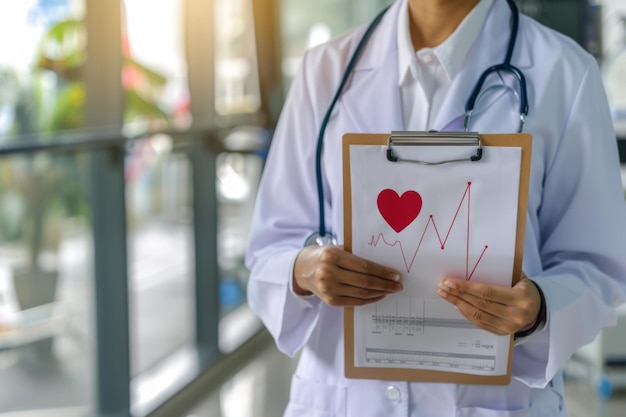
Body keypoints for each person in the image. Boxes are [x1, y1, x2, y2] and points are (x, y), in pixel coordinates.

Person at [245, 0, 626, 415]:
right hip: (345, 397)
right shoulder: (326, 70)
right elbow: (270, 247)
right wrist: (304, 270)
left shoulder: (564, 73)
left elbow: (598, 266)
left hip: (491, 398)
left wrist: (539, 307)